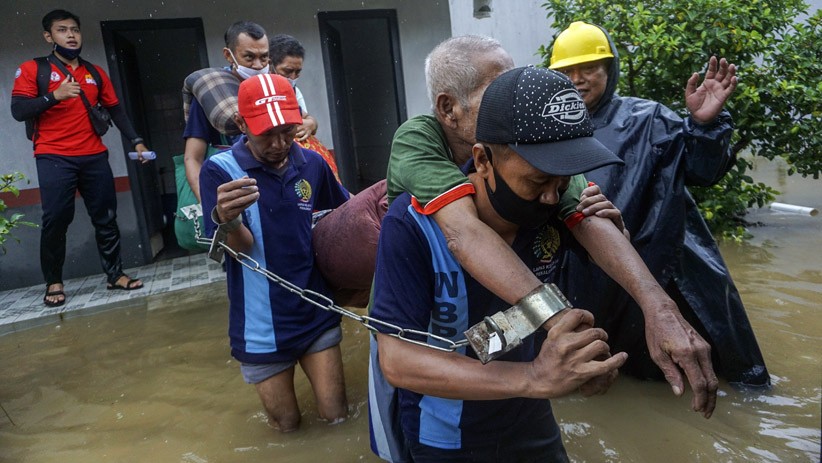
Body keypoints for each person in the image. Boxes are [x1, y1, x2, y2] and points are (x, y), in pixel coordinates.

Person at [382, 35, 717, 418]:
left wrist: (655, 309)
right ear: (481, 159)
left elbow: (588, 219)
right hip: (429, 327)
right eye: (497, 91)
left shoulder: (542, 175)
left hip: (508, 347)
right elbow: (464, 234)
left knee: (487, 348)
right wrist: (558, 324)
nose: (550, 194)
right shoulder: (417, 163)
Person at [370, 66, 629, 462]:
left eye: (561, 183)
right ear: (483, 161)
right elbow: (398, 362)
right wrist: (532, 376)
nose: (550, 196)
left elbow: (505, 326)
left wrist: (578, 362)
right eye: (537, 181)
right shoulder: (413, 223)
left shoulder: (554, 209)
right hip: (446, 435)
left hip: (530, 416)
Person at [548, 21, 769, 387]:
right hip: (587, 267)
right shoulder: (551, 130)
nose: (578, 79)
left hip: (659, 258)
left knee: (685, 361)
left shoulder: (647, 118)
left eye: (589, 68)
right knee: (602, 368)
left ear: (609, 70)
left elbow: (702, 171)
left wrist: (704, 126)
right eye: (567, 71)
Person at [199, 73, 350, 432]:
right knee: (287, 426)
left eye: (288, 130)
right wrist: (227, 219)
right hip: (260, 326)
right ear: (240, 124)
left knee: (338, 418)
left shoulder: (311, 163)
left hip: (315, 310)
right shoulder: (220, 171)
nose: (280, 143)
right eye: (267, 133)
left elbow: (345, 219)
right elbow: (240, 248)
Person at [11, 9, 150, 307]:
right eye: (62, 30)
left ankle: (114, 275)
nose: (71, 35)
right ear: (49, 36)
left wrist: (136, 141)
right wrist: (54, 96)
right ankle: (54, 281)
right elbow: (18, 110)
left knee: (106, 218)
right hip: (53, 156)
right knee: (56, 220)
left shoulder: (96, 73)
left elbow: (116, 110)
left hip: (94, 156)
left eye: (75, 29)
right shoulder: (34, 69)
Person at [182, 20, 269, 202]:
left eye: (264, 57)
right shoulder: (211, 95)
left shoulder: (272, 88)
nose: (259, 65)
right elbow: (193, 158)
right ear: (228, 56)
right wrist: (211, 207)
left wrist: (309, 123)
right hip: (231, 191)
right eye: (249, 57)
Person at [269, 33, 341, 182]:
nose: (293, 77)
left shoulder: (293, 91)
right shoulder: (262, 92)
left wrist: (311, 123)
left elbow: (307, 119)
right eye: (287, 71)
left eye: (298, 72)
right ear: (271, 65)